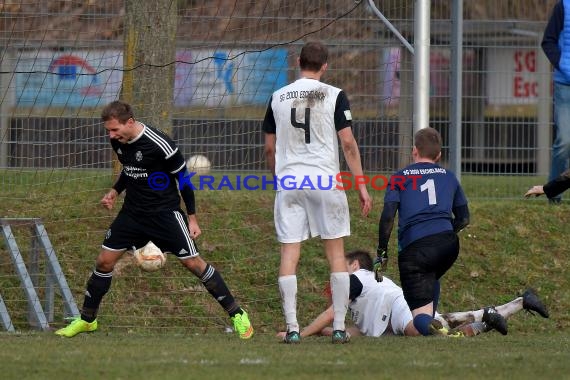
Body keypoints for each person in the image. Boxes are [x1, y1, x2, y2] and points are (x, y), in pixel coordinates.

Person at [55, 100, 253, 339]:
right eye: (108, 130)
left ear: (130, 122)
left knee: (194, 264)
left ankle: (238, 315)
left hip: (165, 214)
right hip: (132, 214)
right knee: (104, 262)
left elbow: (185, 182)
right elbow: (130, 170)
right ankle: (87, 321)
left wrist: (192, 218)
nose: (111, 134)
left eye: (115, 129)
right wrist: (115, 192)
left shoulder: (162, 145)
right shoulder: (117, 141)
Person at [262, 41, 373, 344]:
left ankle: (293, 328)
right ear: (325, 65)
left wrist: (277, 178)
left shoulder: (277, 97)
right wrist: (361, 186)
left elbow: (270, 147)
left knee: (289, 254)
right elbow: (348, 144)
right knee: (336, 254)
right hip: (326, 182)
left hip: (290, 183)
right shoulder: (335, 95)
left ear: (298, 62)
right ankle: (338, 326)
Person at [277, 250, 549, 339]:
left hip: (396, 305)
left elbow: (330, 314)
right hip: (393, 310)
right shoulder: (362, 294)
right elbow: (351, 329)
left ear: (355, 265)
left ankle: (487, 314)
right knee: (441, 333)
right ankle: (505, 309)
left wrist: (298, 333)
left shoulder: (355, 278)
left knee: (423, 330)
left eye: (343, 265)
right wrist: (319, 333)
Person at [375, 127, 470, 336]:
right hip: (448, 245)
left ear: (414, 151)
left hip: (416, 250)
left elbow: (388, 217)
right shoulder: (450, 176)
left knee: (418, 319)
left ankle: (441, 331)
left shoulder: (399, 177)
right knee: (431, 274)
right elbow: (464, 219)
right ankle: (432, 320)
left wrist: (382, 252)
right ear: (439, 155)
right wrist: (444, 232)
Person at [542, 0, 570, 204]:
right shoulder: (563, 7)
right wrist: (563, 64)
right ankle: (554, 195)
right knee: (565, 142)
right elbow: (548, 41)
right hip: (565, 85)